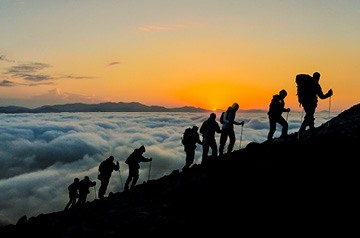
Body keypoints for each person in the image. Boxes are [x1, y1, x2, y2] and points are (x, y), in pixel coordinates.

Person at [298, 72, 333, 140]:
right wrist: (328, 94)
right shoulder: (316, 85)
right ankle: (301, 135)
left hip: (306, 104)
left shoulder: (307, 83)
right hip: (311, 105)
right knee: (308, 119)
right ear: (318, 77)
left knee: (309, 119)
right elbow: (322, 96)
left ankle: (311, 134)